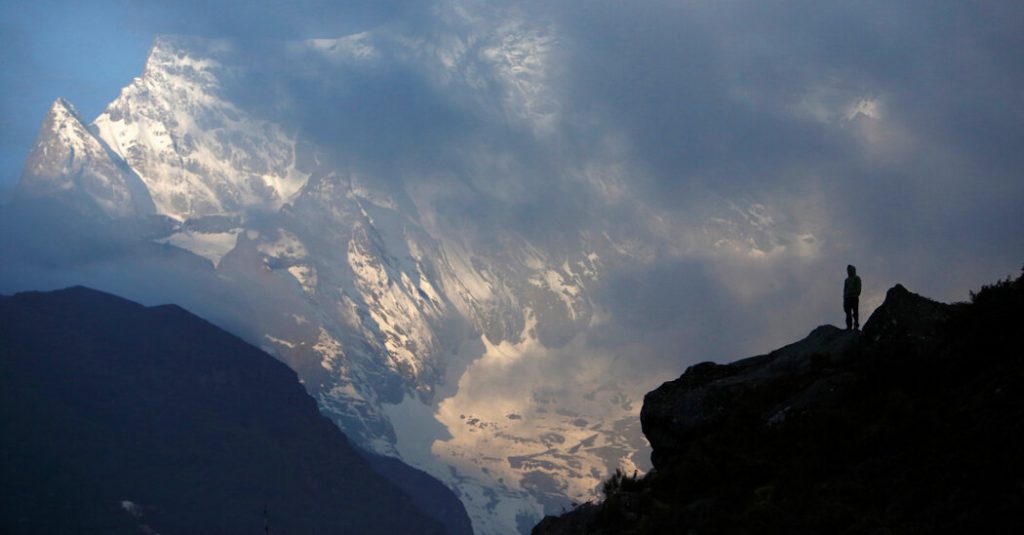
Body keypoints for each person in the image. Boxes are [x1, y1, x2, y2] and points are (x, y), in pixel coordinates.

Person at [844, 264, 862, 330]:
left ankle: (856, 325)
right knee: (848, 313)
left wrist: (856, 293)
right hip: (847, 298)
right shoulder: (846, 280)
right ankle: (849, 326)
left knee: (855, 313)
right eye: (848, 270)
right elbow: (845, 290)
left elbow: (859, 288)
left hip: (854, 297)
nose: (849, 271)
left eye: (850, 270)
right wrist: (844, 299)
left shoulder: (857, 278)